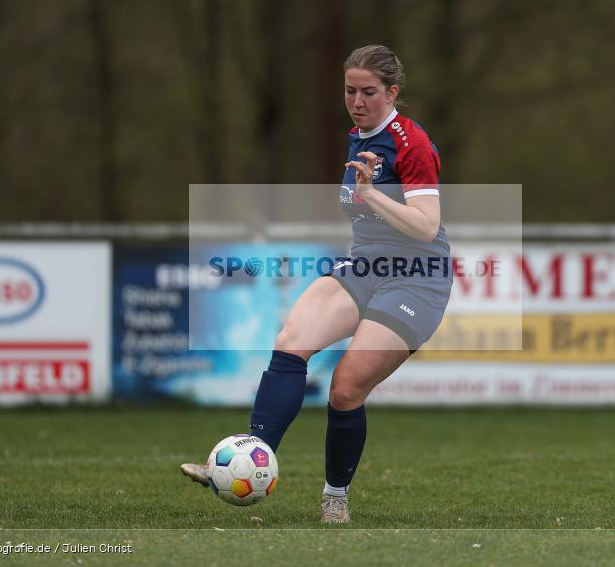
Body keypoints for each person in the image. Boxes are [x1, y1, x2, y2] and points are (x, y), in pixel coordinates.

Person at [182, 45, 452, 523]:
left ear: (392, 93)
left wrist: (372, 196)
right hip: (366, 267)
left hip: (417, 281)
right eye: (350, 91)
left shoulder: (410, 142)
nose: (358, 100)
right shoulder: (357, 137)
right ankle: (246, 457)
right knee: (291, 342)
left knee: (345, 388)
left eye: (369, 92)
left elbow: (427, 226)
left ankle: (335, 498)